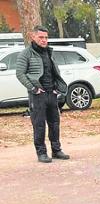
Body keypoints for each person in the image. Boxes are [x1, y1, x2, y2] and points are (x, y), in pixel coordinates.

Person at [15, 26, 69, 163]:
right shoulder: (26, 54)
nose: (44, 40)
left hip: (52, 94)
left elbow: (54, 72)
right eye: (41, 37)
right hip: (37, 95)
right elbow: (20, 74)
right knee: (39, 125)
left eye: (46, 37)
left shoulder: (49, 52)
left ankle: (56, 150)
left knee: (55, 123)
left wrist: (57, 88)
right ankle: (41, 153)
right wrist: (33, 88)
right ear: (33, 37)